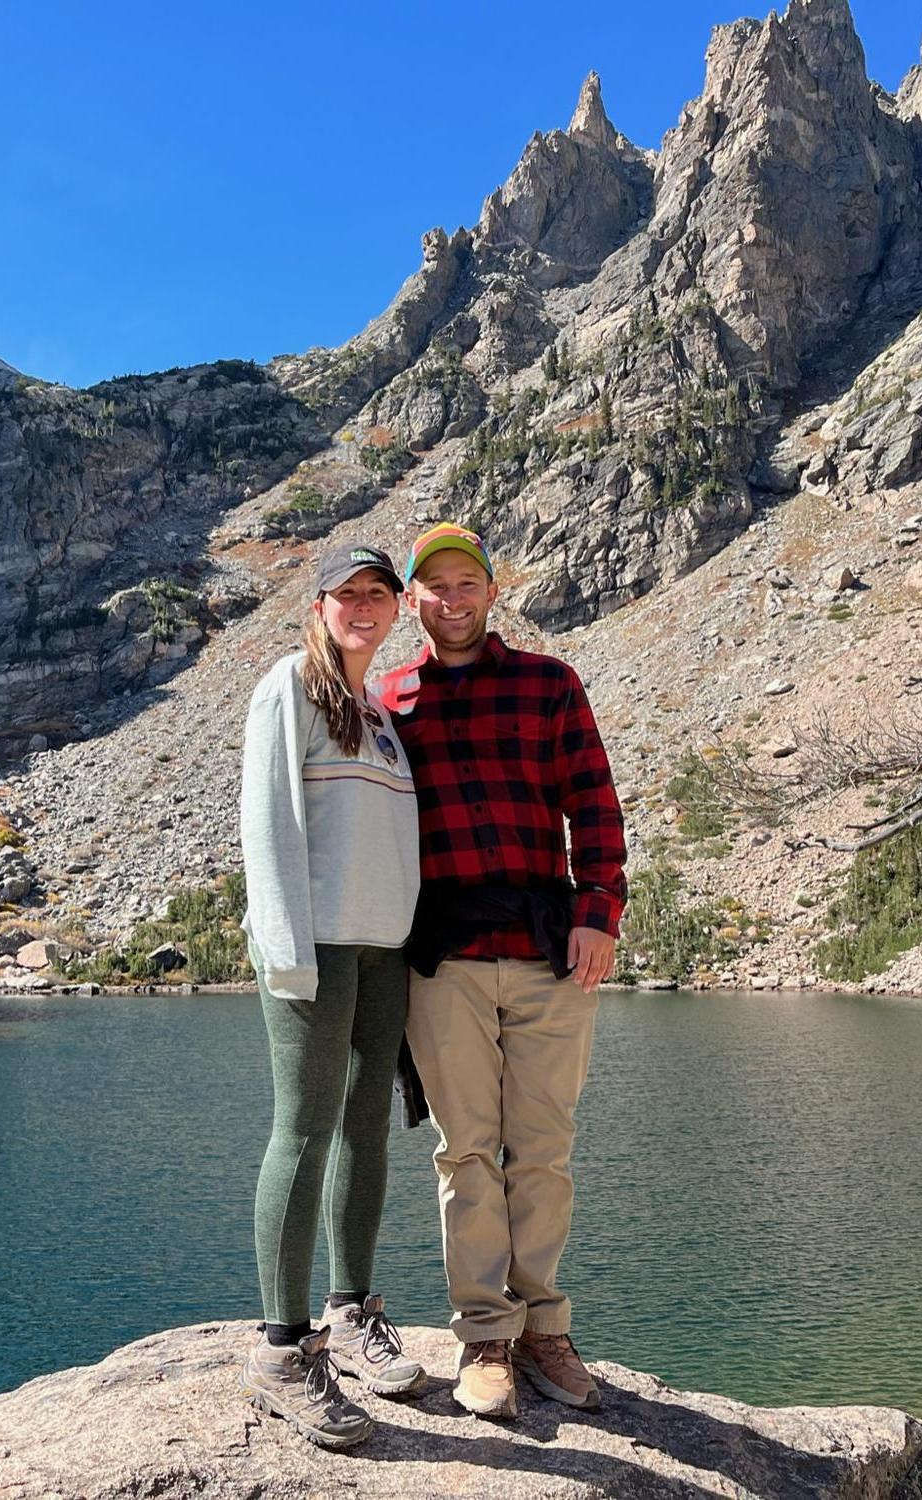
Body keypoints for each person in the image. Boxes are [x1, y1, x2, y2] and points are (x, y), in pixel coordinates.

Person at [379, 522, 627, 1421]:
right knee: (466, 1149)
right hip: (441, 960)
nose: (452, 598)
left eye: (466, 582)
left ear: (492, 592)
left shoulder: (547, 684)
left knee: (544, 1149)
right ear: (412, 601)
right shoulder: (388, 701)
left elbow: (592, 803)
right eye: (433, 585)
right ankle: (484, 1332)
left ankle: (543, 1327)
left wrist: (598, 913)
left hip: (545, 950)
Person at [236, 543, 425, 1450]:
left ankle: (349, 1312)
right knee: (303, 1127)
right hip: (314, 952)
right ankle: (280, 1349)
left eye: (376, 594)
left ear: (395, 610)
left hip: (383, 952)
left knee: (365, 1127)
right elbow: (268, 825)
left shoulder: (375, 713)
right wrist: (288, 955)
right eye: (345, 594)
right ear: (317, 606)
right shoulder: (291, 687)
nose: (361, 606)